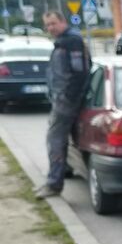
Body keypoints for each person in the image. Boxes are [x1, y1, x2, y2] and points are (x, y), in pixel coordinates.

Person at [33, 11, 90, 199]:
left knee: (55, 140)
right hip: (61, 99)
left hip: (66, 102)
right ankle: (62, 173)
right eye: (47, 24)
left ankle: (54, 184)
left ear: (63, 22)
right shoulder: (63, 42)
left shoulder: (71, 42)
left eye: (53, 23)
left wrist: (67, 98)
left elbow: (79, 73)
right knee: (62, 140)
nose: (50, 28)